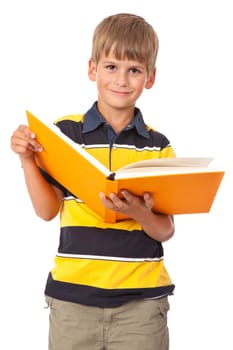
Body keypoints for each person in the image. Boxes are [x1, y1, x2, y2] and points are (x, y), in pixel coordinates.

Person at [11, 13, 176, 350]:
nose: (122, 80)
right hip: (73, 301)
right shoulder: (65, 134)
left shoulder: (159, 146)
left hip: (141, 306)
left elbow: (166, 230)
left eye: (134, 70)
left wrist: (139, 212)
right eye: (111, 66)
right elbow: (46, 211)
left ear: (150, 77)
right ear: (92, 69)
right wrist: (27, 160)